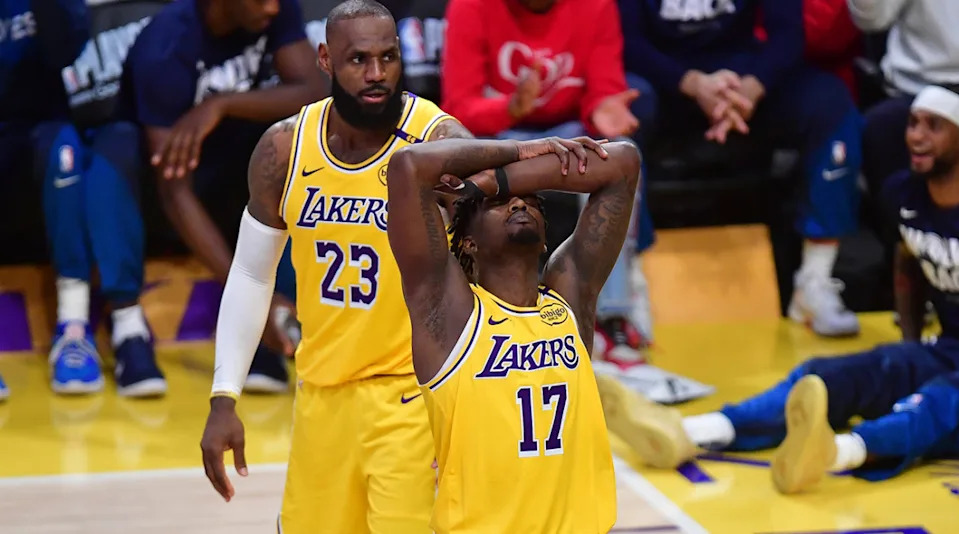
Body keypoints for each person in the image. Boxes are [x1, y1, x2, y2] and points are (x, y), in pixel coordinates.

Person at [198, 1, 474, 532]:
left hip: (412, 400)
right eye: (358, 59)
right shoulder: (284, 148)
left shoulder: (437, 142)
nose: (376, 73)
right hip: (320, 399)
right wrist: (224, 396)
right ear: (325, 59)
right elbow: (252, 274)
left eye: (388, 57)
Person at [615, 85, 959, 495]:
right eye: (913, 123)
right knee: (832, 375)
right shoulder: (903, 194)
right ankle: (694, 430)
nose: (916, 136)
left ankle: (836, 453)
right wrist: (912, 347)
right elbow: (908, 258)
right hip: (950, 348)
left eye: (934, 126)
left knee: (940, 401)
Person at [385, 130, 640, 531]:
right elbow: (409, 166)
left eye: (532, 201)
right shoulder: (450, 314)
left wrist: (497, 182)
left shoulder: (569, 299)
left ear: (544, 241)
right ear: (468, 243)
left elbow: (623, 163)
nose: (519, 203)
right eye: (498, 203)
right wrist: (521, 150)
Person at [618, 0, 863, 338]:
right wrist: (692, 83)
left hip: (741, 82)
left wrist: (753, 87)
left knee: (830, 102)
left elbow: (788, 35)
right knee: (620, 122)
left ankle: (815, 280)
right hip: (662, 82)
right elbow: (628, 41)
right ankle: (630, 288)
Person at [121, 0, 328, 392]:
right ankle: (132, 329)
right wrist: (249, 296)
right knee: (116, 151)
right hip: (163, 190)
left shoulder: (271, 9)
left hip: (232, 171)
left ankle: (293, 316)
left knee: (296, 144)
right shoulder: (165, 47)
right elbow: (173, 190)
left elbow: (314, 92)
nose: (273, 8)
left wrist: (221, 104)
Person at [442, 0, 656, 357]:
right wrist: (510, 108)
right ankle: (473, 310)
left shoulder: (595, 5)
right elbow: (458, 107)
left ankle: (613, 317)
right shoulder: (470, 6)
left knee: (620, 154)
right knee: (452, 158)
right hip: (498, 137)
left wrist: (602, 108)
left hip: (569, 134)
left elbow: (603, 87)